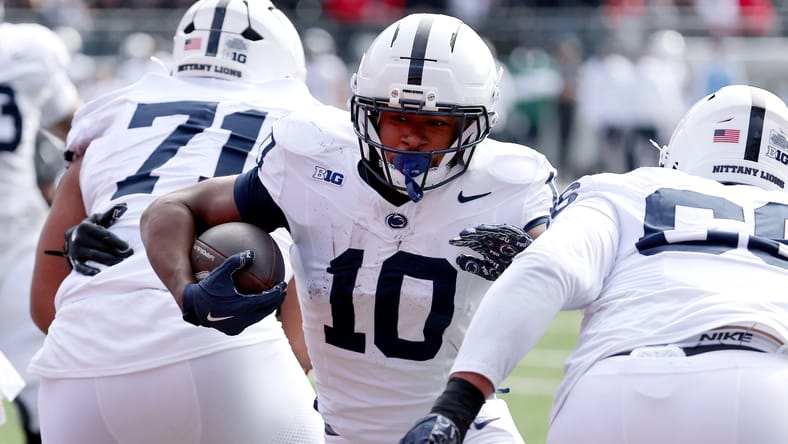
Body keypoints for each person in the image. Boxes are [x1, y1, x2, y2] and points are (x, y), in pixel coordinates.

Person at [139, 12, 558, 444]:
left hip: (466, 430)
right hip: (344, 433)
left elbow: (572, 275)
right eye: (397, 118)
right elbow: (168, 210)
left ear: (472, 125)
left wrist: (538, 262)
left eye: (434, 123)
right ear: (366, 114)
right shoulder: (313, 162)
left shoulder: (507, 186)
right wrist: (187, 293)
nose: (411, 138)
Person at [400, 84, 788, 444]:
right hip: (766, 386)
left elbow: (547, 269)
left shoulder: (624, 189)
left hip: (616, 388)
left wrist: (455, 409)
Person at [29, 1, 324, 443]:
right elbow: (316, 298)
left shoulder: (111, 115)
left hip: (77, 370)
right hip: (231, 359)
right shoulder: (312, 128)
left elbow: (45, 302)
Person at [0, 15, 82, 444]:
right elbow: (78, 130)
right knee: (39, 377)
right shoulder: (25, 48)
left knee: (40, 377)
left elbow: (76, 130)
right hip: (15, 236)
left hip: (16, 237)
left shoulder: (29, 50)